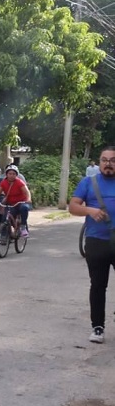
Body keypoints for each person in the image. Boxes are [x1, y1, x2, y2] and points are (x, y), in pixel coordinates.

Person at [69, 147, 115, 343]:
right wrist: (89, 210)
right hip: (97, 242)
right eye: (104, 160)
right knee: (98, 285)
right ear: (99, 162)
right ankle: (97, 327)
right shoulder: (89, 182)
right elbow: (73, 206)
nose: (108, 164)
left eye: (112, 160)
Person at [0, 164, 32, 238]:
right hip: (11, 203)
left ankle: (23, 227)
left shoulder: (19, 182)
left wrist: (28, 199)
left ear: (16, 175)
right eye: (9, 174)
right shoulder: (3, 182)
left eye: (13, 174)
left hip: (21, 202)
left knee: (24, 208)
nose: (11, 175)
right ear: (6, 174)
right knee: (5, 217)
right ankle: (4, 235)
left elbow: (27, 192)